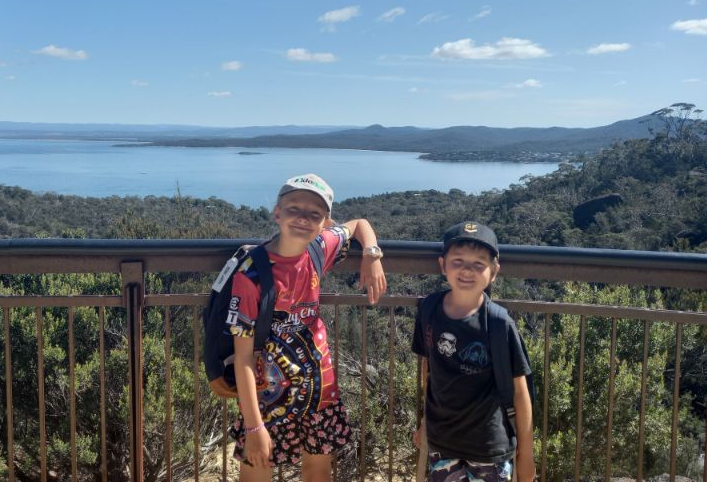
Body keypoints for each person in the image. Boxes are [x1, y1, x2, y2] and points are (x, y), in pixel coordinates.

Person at [226, 173, 387, 482]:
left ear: (324, 222)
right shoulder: (251, 275)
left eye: (314, 214)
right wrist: (254, 426)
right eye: (293, 209)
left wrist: (371, 253)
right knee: (256, 469)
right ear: (277, 213)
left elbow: (358, 225)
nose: (303, 218)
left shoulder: (318, 248)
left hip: (319, 391)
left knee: (317, 472)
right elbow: (243, 358)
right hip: (266, 398)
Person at [412, 221, 535, 482]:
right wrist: (425, 423)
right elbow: (430, 371)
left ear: (494, 271)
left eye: (478, 263)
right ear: (442, 265)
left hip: (488, 446)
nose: (467, 270)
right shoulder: (428, 310)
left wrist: (526, 455)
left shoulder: (499, 323)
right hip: (441, 441)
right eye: (458, 261)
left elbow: (520, 393)